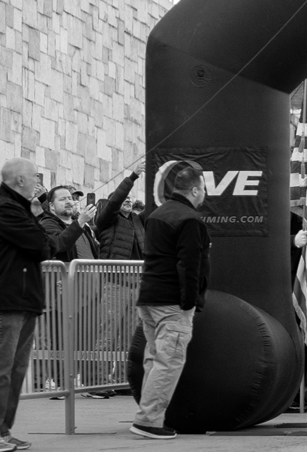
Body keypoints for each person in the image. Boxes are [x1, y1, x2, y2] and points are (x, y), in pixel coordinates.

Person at [0, 158, 51, 452]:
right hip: (8, 298)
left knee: (15, 369)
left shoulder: (18, 207)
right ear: (19, 180)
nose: (37, 183)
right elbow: (41, 245)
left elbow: (42, 244)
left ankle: (2, 430)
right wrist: (39, 221)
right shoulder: (3, 208)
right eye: (34, 177)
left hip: (24, 297)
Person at [131, 160, 213, 439]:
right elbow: (189, 266)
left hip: (150, 298)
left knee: (154, 360)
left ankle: (148, 416)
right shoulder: (190, 220)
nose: (205, 195)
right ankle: (149, 420)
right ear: (194, 190)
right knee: (168, 362)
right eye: (203, 190)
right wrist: (189, 303)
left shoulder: (158, 214)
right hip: (172, 303)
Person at [93, 171, 145, 260]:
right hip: (115, 271)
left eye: (129, 198)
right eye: (124, 198)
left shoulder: (138, 219)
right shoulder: (106, 220)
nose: (128, 200)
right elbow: (115, 200)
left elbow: (156, 205)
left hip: (139, 270)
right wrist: (133, 177)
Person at [38, 184, 96, 261]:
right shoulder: (47, 224)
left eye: (70, 198)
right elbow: (59, 244)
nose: (68, 202)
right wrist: (80, 221)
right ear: (52, 206)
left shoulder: (82, 224)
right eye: (63, 199)